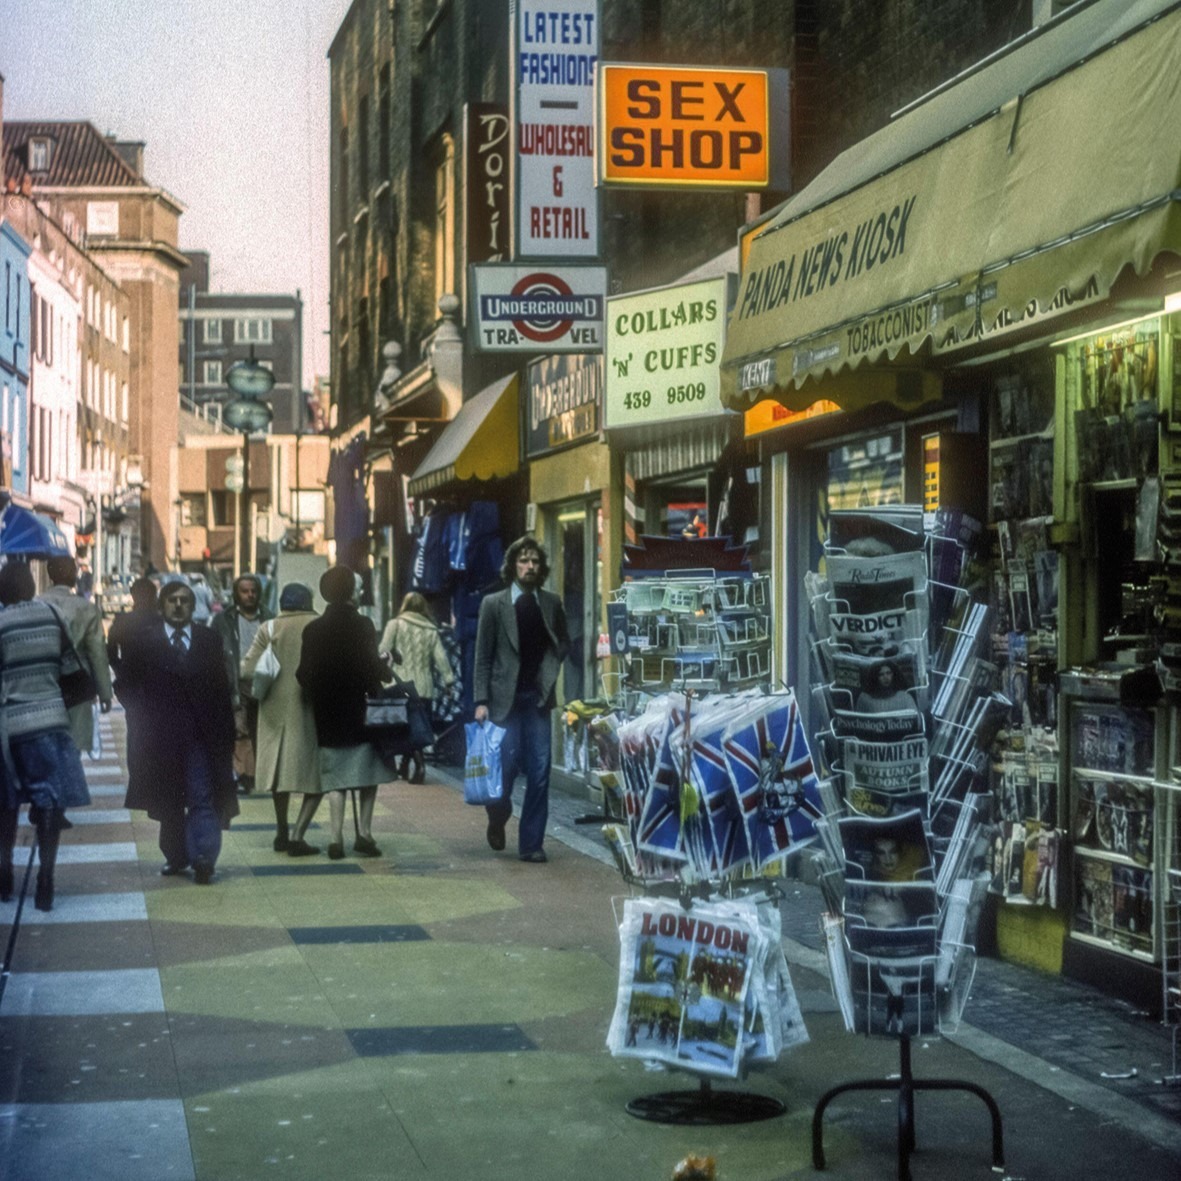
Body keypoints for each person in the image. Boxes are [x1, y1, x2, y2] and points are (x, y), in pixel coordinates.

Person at [117, 579, 238, 885]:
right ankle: (175, 855)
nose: (179, 605)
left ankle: (203, 858)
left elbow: (221, 688)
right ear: (162, 605)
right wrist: (140, 713)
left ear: (193, 605)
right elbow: (125, 682)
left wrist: (227, 731)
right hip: (160, 738)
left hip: (201, 734)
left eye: (185, 600)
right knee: (168, 800)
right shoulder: (144, 641)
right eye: (172, 600)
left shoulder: (208, 639)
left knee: (201, 795)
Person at [0, 561, 92, 911]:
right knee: (49, 800)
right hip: (51, 722)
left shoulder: (1, 623)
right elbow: (70, 667)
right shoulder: (52, 617)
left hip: (9, 727)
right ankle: (46, 878)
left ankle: (4, 872)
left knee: (5, 803)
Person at [473, 535, 569, 864]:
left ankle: (531, 844)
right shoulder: (493, 604)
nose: (529, 566)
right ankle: (498, 816)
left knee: (540, 772)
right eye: (523, 561)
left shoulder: (552, 602)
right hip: (503, 701)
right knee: (503, 773)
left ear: (541, 568)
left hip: (537, 700)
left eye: (535, 562)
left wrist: (548, 674)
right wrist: (480, 700)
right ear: (513, 565)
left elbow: (562, 644)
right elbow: (482, 655)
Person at [296, 566, 389, 859]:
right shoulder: (364, 625)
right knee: (367, 775)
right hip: (361, 711)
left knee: (335, 778)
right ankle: (364, 834)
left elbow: (303, 674)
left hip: (327, 714)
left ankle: (335, 839)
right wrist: (384, 668)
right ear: (349, 592)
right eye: (358, 587)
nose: (360, 592)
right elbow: (372, 668)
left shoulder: (313, 629)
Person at [241, 582, 324, 855]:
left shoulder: (270, 627)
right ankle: (299, 833)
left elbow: (248, 668)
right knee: (317, 774)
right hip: (311, 706)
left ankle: (281, 830)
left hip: (274, 708)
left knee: (279, 775)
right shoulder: (318, 624)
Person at [38, 554, 113, 754]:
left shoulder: (35, 604)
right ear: (73, 575)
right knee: (73, 749)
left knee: (48, 748)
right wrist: (105, 693)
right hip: (77, 685)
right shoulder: (86, 609)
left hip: (44, 684)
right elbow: (98, 653)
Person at [378, 591, 455, 784]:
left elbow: (383, 650)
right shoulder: (431, 630)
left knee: (405, 729)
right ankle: (405, 766)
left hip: (400, 685)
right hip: (424, 687)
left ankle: (420, 766)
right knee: (417, 728)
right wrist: (449, 681)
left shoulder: (395, 624)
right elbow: (441, 659)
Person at [211, 573, 272, 794]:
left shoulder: (268, 617)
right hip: (235, 682)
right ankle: (245, 776)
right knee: (241, 730)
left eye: (253, 591)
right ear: (237, 593)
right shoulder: (224, 620)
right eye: (244, 591)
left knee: (261, 731)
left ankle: (256, 774)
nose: (249, 595)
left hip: (263, 682)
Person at [107, 577, 159, 677]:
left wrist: (120, 670)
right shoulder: (160, 621)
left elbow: (110, 651)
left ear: (133, 596)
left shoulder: (122, 620)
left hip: (130, 675)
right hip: (154, 677)